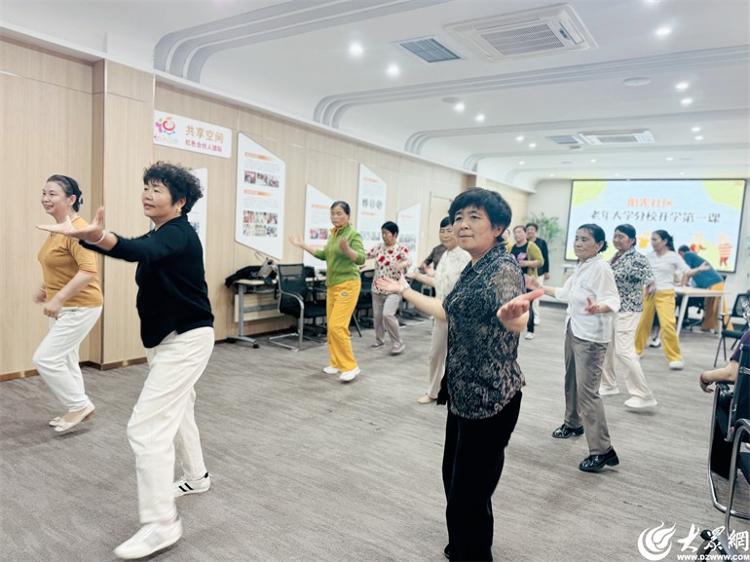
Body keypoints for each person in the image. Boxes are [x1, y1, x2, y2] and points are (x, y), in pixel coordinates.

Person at [39, 162, 215, 559]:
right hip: (169, 341)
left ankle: (161, 524)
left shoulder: (178, 233)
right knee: (180, 411)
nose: (148, 194)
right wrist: (94, 238)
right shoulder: (162, 232)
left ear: (180, 201)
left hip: (187, 340)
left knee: (146, 428)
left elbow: (138, 251)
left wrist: (95, 235)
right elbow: (140, 247)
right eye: (146, 187)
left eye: (158, 189)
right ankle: (197, 476)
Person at [377, 187, 543, 561]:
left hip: (490, 399)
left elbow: (516, 316)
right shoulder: (474, 265)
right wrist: (405, 290)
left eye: (474, 217)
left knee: (470, 494)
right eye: (458, 218)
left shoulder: (501, 270)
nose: (462, 225)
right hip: (464, 393)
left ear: (497, 227)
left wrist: (514, 320)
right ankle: (462, 547)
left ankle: (473, 553)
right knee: (456, 483)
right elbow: (446, 310)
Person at [528, 223, 621, 473]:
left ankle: (602, 450)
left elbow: (613, 299)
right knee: (571, 380)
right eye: (577, 238)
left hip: (591, 337)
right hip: (574, 329)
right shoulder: (581, 266)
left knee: (588, 392)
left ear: (599, 245)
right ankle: (572, 423)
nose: (578, 243)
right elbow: (564, 293)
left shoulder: (601, 268)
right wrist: (538, 288)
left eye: (585, 239)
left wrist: (599, 307)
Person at [33, 174, 103, 432]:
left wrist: (59, 297)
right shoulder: (58, 228)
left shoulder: (78, 230)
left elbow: (88, 271)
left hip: (81, 306)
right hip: (65, 306)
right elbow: (59, 264)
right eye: (44, 193)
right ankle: (78, 407)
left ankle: (79, 405)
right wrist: (46, 289)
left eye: (52, 194)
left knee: (45, 359)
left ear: (71, 199)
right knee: (65, 359)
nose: (45, 198)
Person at [290, 201, 365, 382]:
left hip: (348, 284)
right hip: (332, 285)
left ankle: (350, 366)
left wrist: (347, 250)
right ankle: (336, 362)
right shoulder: (333, 234)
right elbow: (323, 255)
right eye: (332, 213)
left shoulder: (352, 234)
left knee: (337, 326)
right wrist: (303, 245)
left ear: (348, 215)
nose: (335, 217)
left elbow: (361, 259)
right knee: (331, 326)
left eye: (339, 213)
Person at [405, 217, 471, 404]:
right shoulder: (445, 255)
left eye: (449, 230)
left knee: (459, 358)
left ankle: (459, 395)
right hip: (440, 313)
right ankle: (433, 391)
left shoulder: (465, 256)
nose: (445, 235)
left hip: (460, 316)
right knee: (435, 354)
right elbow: (439, 283)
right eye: (442, 231)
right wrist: (417, 276)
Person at [600, 224, 658, 409]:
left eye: (621, 237)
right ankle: (608, 385)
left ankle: (643, 394)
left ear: (632, 240)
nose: (617, 240)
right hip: (612, 308)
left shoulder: (638, 258)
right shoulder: (616, 257)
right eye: (615, 236)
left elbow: (650, 279)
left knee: (624, 351)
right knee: (607, 348)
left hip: (628, 310)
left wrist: (651, 286)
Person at [635, 230, 689, 369]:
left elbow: (686, 270)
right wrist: (648, 284)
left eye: (655, 239)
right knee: (642, 323)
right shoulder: (649, 256)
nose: (652, 242)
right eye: (651, 239)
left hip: (666, 294)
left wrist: (693, 274)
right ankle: (636, 351)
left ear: (664, 241)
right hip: (649, 294)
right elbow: (643, 274)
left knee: (668, 325)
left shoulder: (674, 256)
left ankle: (675, 357)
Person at [366, 221, 411, 354]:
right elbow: (366, 255)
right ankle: (379, 340)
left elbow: (409, 260)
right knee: (378, 317)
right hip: (377, 288)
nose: (384, 236)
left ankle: (398, 343)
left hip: (394, 289)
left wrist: (401, 264)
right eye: (382, 233)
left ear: (395, 234)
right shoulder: (379, 247)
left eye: (386, 233)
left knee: (387, 314)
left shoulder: (401, 249)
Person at [677, 244, 726, 331]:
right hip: (714, 283)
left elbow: (686, 272)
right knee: (710, 306)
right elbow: (691, 275)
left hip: (714, 282)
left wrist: (682, 285)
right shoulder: (695, 261)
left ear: (681, 253)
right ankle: (708, 327)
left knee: (716, 307)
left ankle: (724, 328)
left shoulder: (687, 254)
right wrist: (685, 284)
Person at [507, 225, 543, 340]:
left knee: (527, 306)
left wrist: (527, 263)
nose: (517, 234)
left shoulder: (531, 246)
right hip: (514, 281)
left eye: (520, 232)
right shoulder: (512, 247)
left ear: (525, 233)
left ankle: (530, 330)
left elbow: (540, 261)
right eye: (515, 232)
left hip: (528, 282)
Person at [526, 222, 550, 324]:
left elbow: (545, 257)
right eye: (528, 229)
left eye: (532, 229)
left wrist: (547, 271)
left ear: (536, 231)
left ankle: (536, 316)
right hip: (526, 273)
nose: (530, 231)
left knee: (536, 296)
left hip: (539, 273)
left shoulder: (541, 242)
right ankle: (526, 317)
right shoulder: (524, 242)